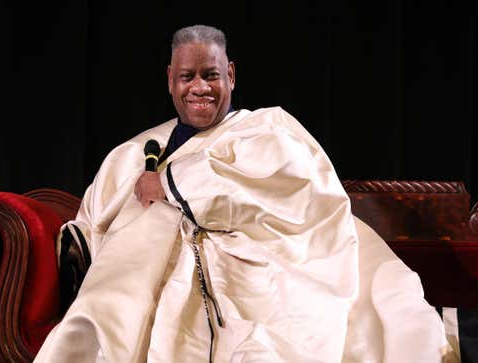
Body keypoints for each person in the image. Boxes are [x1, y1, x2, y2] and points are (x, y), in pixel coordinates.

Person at [34, 25, 454, 362]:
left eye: (211, 75)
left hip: (259, 266)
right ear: (170, 80)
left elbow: (293, 188)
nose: (200, 87)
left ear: (230, 75)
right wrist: (86, 238)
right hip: (162, 274)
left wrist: (170, 185)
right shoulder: (136, 151)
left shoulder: (267, 130)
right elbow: (97, 210)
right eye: (188, 76)